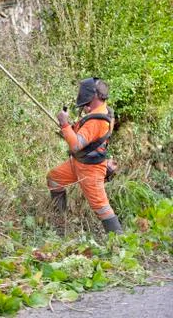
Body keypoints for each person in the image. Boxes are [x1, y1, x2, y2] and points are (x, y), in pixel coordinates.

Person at [47, 77, 123, 234]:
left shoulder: (97, 120)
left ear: (93, 95)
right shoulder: (103, 111)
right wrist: (69, 128)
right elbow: (85, 136)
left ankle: (120, 244)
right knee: (54, 179)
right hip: (78, 163)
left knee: (101, 208)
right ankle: (61, 222)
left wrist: (64, 124)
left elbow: (75, 145)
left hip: (91, 170)